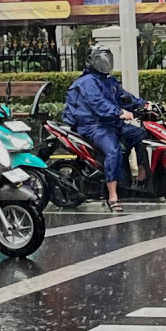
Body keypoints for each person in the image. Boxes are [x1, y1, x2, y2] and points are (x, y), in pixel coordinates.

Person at [64, 46, 148, 212]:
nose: (105, 63)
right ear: (91, 61)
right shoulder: (86, 82)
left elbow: (124, 97)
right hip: (93, 126)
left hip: (111, 123)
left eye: (107, 59)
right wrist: (119, 112)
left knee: (141, 135)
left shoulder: (109, 81)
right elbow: (99, 104)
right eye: (101, 60)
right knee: (113, 150)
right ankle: (113, 195)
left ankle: (142, 176)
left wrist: (144, 104)